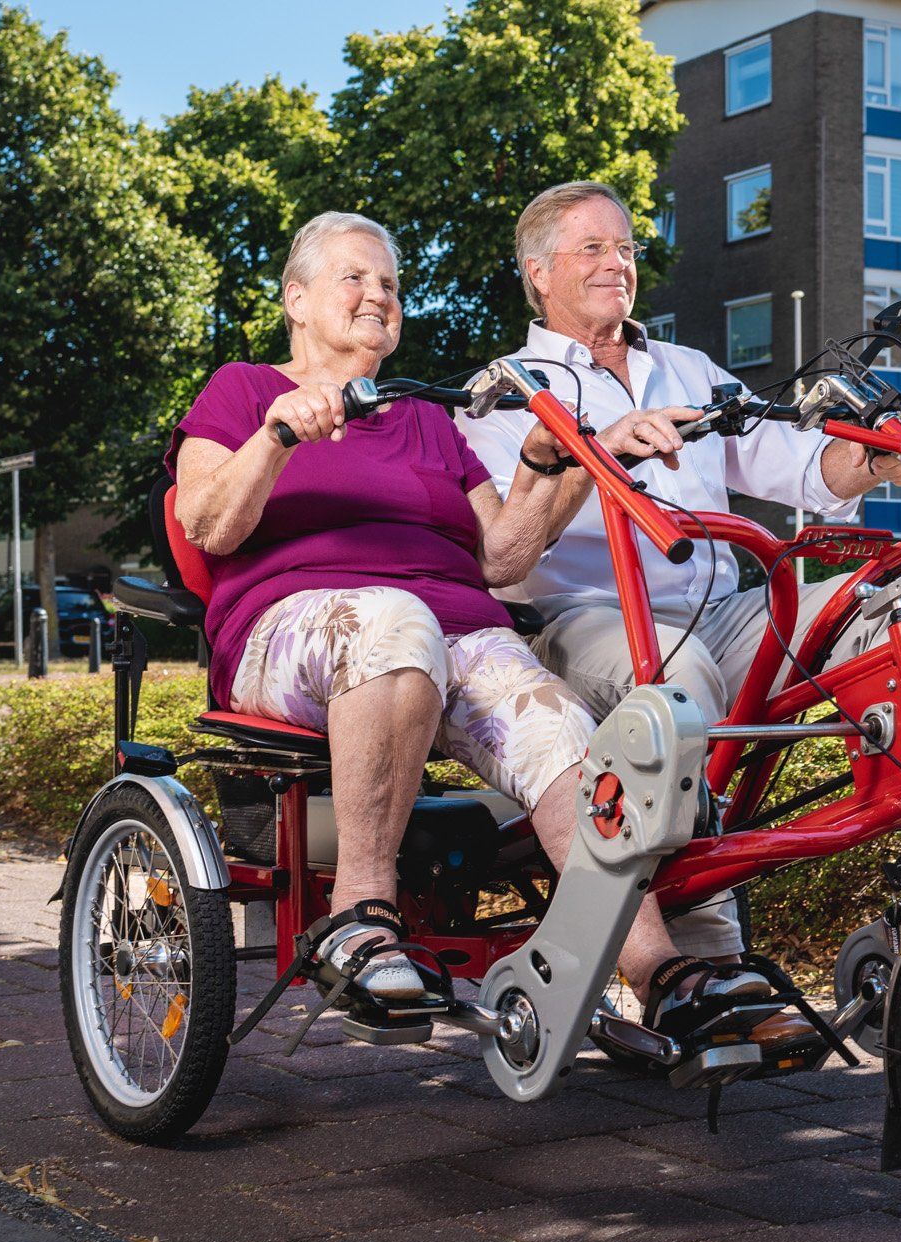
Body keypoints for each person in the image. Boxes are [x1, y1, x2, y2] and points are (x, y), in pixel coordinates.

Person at [168, 210, 765, 1031]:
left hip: (455, 634)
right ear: (296, 299)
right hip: (295, 629)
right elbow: (206, 524)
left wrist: (543, 467)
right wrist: (276, 436)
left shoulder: (423, 418)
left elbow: (502, 558)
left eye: (390, 284)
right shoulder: (244, 389)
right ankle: (360, 917)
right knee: (395, 623)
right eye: (356, 277)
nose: (378, 295)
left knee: (559, 728)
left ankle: (660, 971)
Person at [458, 181, 901, 969]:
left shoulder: (689, 368)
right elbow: (510, 552)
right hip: (583, 618)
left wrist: (869, 460)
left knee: (896, 597)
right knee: (678, 676)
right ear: (539, 271)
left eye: (625, 248)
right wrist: (603, 450)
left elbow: (793, 465)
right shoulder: (503, 392)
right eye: (591, 248)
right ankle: (701, 959)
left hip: (723, 609)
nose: (616, 264)